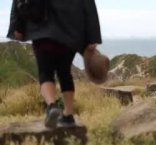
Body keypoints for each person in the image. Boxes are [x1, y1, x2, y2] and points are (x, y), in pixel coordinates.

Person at [7, 0, 102, 128]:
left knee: (45, 71)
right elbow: (89, 4)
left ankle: (52, 106)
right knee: (65, 72)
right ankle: (68, 115)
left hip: (41, 26)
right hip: (70, 29)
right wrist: (93, 36)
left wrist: (17, 26)